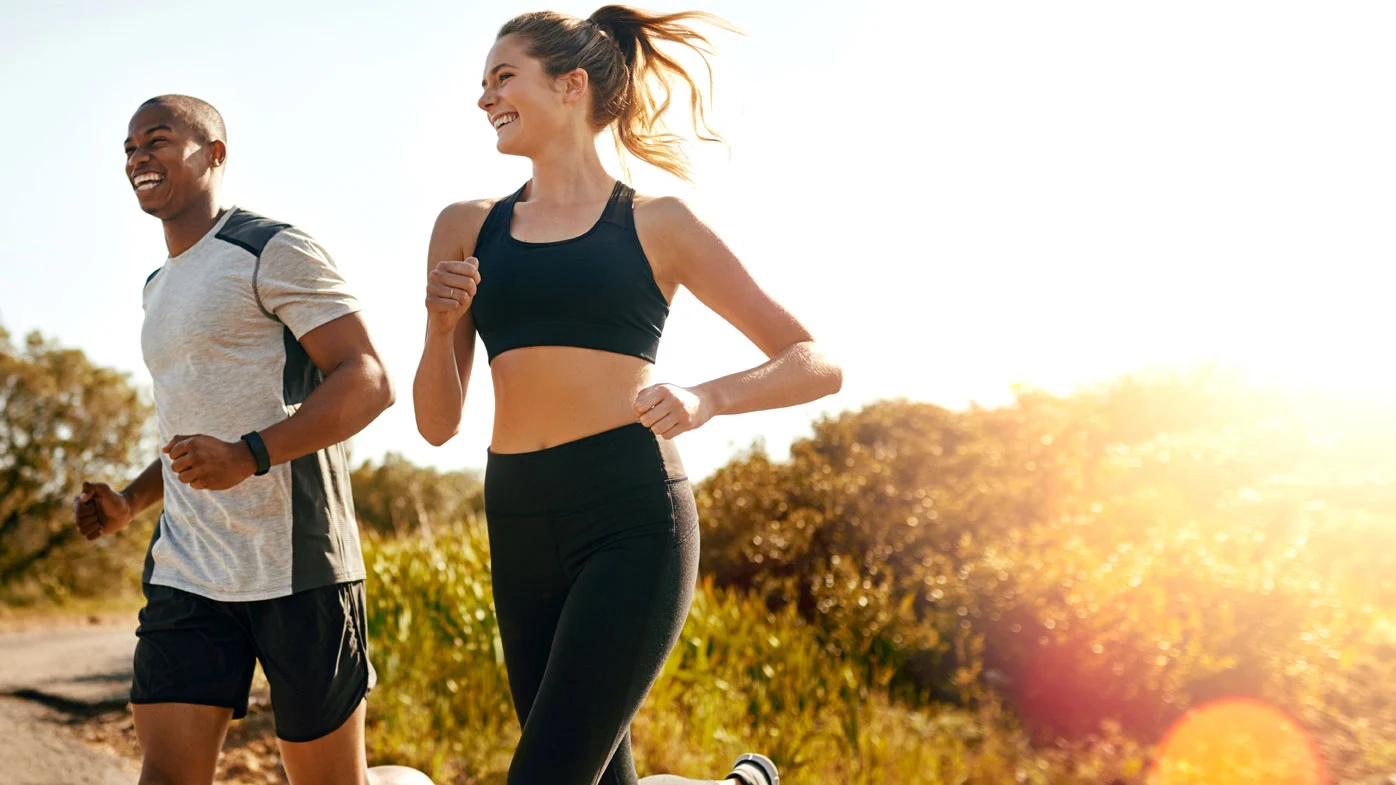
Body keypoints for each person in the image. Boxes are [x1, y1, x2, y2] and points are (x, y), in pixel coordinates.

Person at [412, 7, 841, 785]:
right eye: (481, 84)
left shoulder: (658, 223)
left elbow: (813, 361)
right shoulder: (467, 226)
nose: (484, 97)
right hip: (517, 512)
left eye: (503, 76)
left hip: (632, 513)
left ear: (571, 86)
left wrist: (707, 398)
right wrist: (440, 328)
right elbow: (437, 425)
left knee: (544, 776)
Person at [74, 94, 430, 785]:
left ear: (214, 153)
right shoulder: (156, 286)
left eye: (157, 140)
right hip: (189, 565)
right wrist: (129, 500)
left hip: (298, 563)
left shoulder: (272, 247)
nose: (138, 157)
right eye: (128, 148)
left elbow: (369, 379)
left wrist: (250, 455)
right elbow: (186, 428)